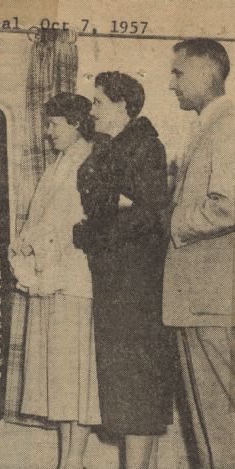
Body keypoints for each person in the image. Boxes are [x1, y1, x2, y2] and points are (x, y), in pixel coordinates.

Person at [73, 71, 177, 469]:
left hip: (136, 283)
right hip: (114, 280)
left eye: (98, 102)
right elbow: (108, 203)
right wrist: (109, 207)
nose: (92, 110)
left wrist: (95, 228)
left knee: (138, 384)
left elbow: (149, 213)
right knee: (124, 385)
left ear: (121, 105)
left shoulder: (146, 146)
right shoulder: (108, 147)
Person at [10, 93, 101, 469]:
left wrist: (44, 245)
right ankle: (68, 461)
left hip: (75, 280)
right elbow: (41, 220)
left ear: (77, 123)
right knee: (60, 375)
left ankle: (74, 459)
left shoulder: (89, 160)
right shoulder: (59, 164)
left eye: (54, 124)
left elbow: (78, 223)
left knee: (76, 375)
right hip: (53, 278)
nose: (48, 133)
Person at [164, 38, 235, 468]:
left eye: (178, 73)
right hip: (203, 299)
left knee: (217, 425)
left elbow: (229, 203)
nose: (171, 84)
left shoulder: (226, 125)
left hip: (210, 300)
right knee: (214, 425)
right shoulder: (211, 124)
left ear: (207, 72)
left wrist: (170, 222)